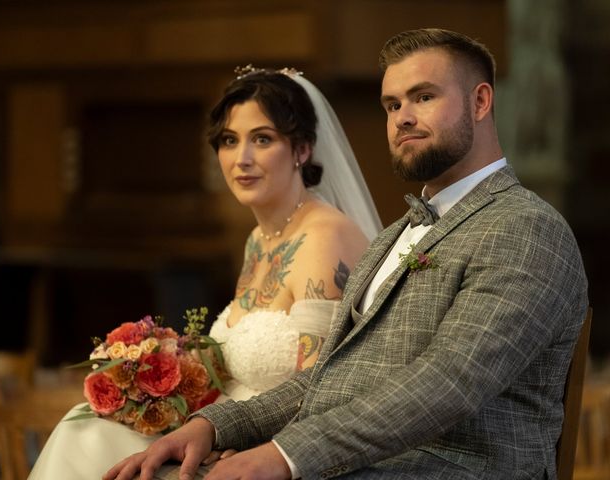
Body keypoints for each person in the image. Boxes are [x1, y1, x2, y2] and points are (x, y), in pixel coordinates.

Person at [105, 28, 589, 480]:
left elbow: (449, 383)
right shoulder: (393, 236)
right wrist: (214, 426)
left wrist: (284, 457)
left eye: (423, 96)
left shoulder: (525, 227)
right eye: (391, 104)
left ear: (480, 100)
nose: (402, 117)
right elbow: (330, 377)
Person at [27, 68, 382, 480]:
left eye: (262, 139)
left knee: (92, 447)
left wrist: (232, 439)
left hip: (271, 452)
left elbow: (321, 386)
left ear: (302, 148)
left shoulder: (325, 236)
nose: (242, 158)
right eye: (230, 140)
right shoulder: (258, 239)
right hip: (222, 431)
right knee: (88, 428)